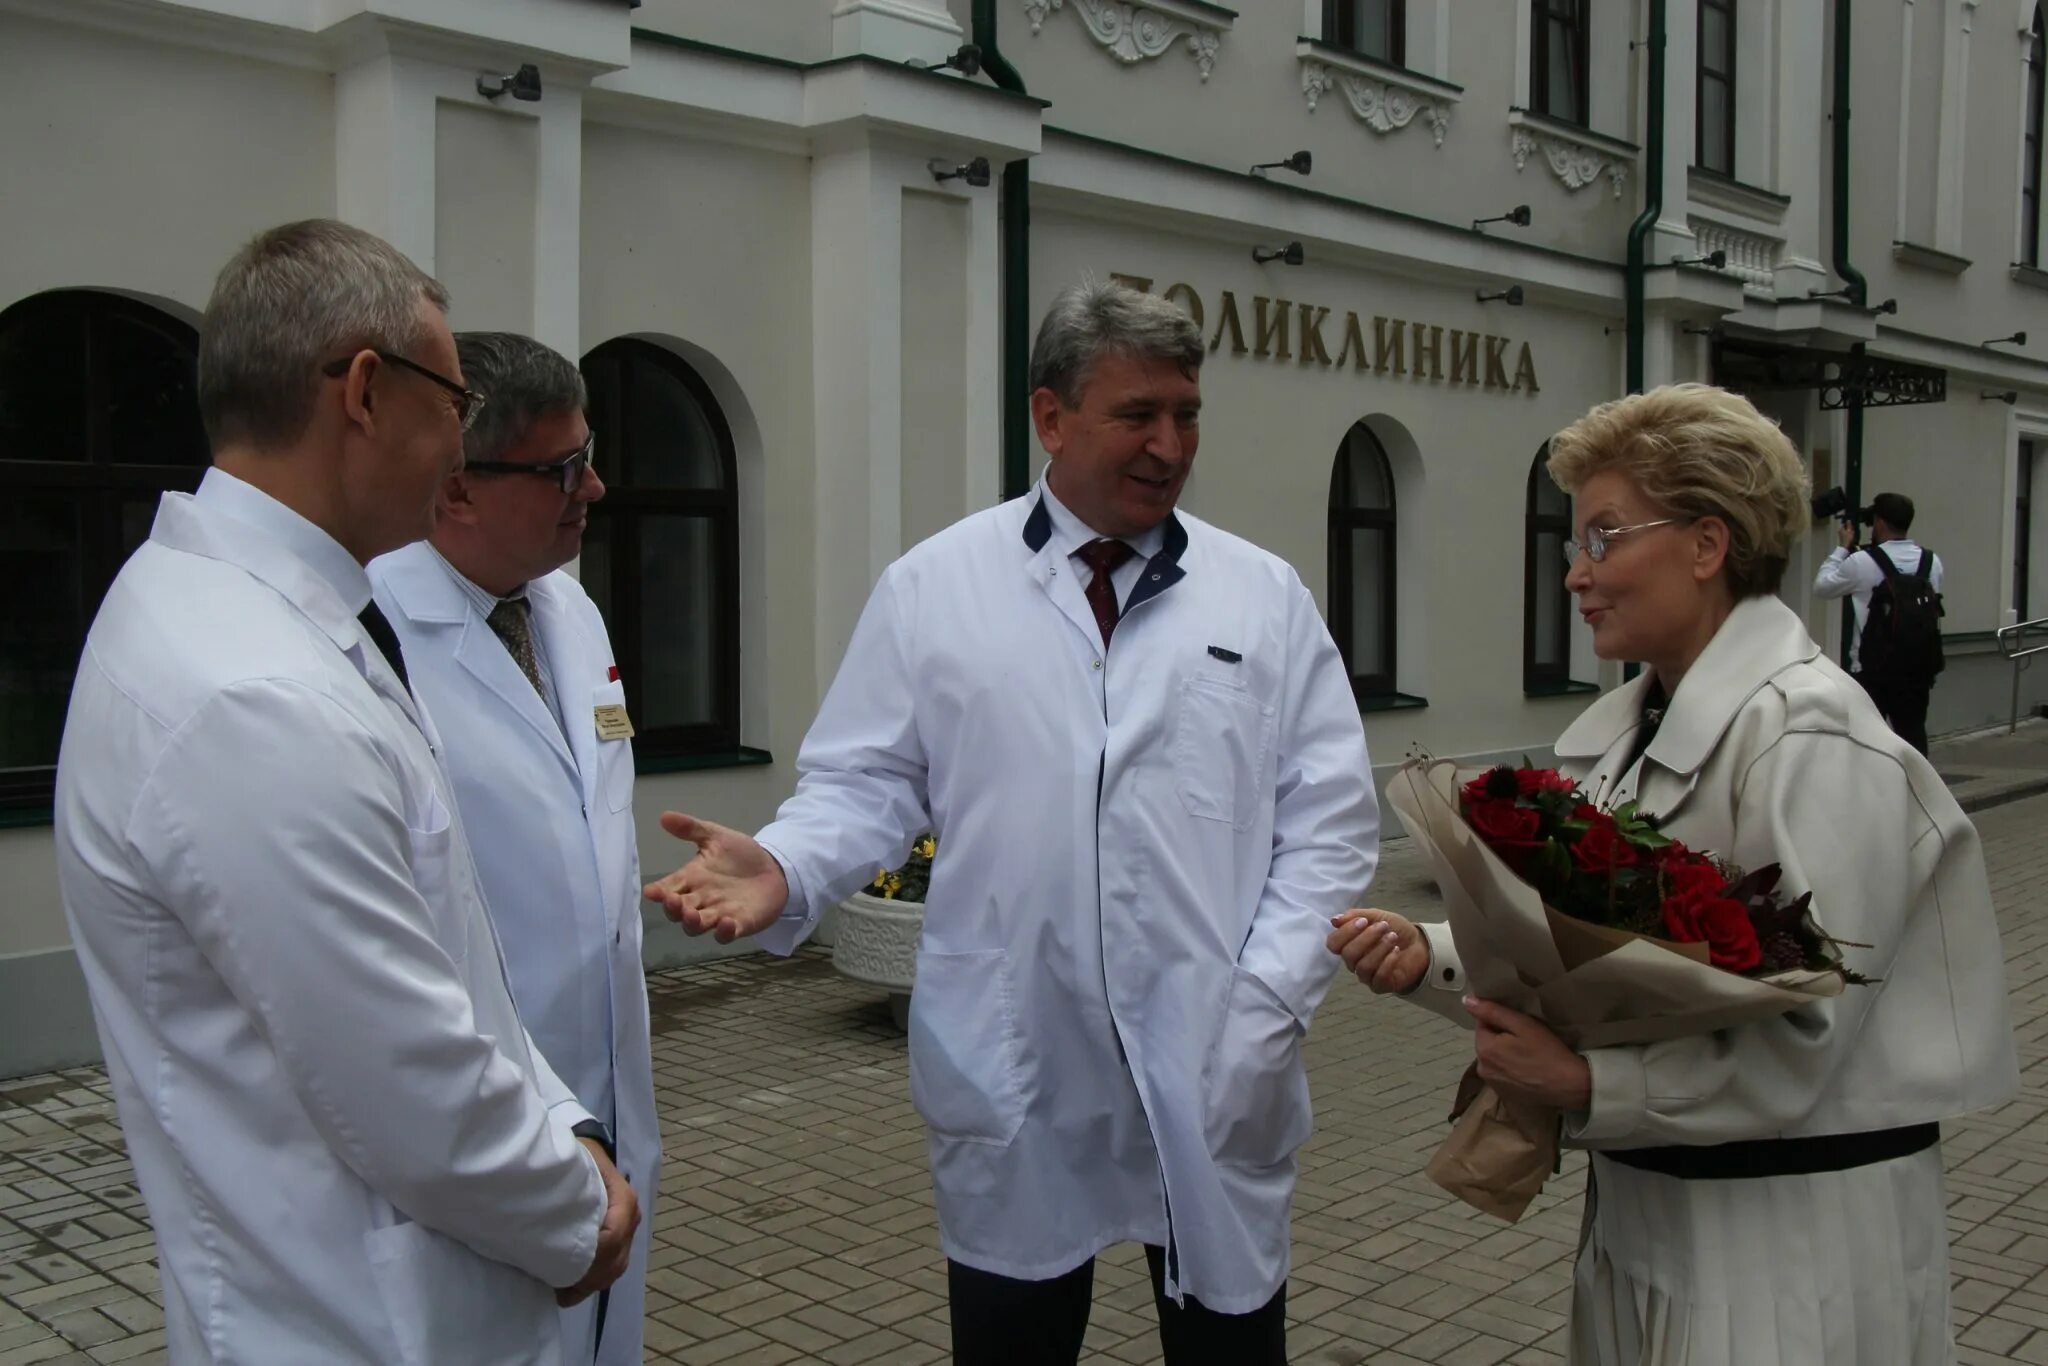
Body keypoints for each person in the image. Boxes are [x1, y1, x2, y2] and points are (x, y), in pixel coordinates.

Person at [644, 279, 1378, 1365]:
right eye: (1137, 414)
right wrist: (788, 866)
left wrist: (1262, 1002)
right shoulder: (935, 587)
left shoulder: (1258, 596)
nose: (1168, 444)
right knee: (1012, 1340)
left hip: (1209, 1047)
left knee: (1227, 1338)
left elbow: (1326, 821)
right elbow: (867, 780)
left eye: (1185, 413)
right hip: (1017, 1053)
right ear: (1051, 417)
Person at [1330, 384, 2016, 1366]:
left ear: (1707, 544)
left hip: (1786, 1241)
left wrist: (1585, 1083)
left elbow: (1805, 1032)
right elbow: (1603, 958)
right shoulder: (1631, 734)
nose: (1575, 574)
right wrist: (1429, 956)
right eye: (1576, 543)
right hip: (1657, 1212)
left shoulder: (1811, 735)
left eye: (1602, 537)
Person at [53, 220, 637, 1364]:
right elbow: (406, 1083)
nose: (454, 450)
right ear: (365, 392)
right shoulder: (251, 690)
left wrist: (565, 1120)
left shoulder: (271, 620)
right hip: (359, 1321)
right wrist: (582, 1213)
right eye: (450, 404)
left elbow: (446, 953)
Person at [368, 331, 659, 1366]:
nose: (598, 486)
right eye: (564, 468)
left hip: (608, 1102)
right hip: (481, 1132)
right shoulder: (374, 639)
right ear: (457, 487)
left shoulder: (563, 604)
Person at [1812, 491, 1944, 753]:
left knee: (1866, 745)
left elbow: (1822, 587)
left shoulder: (1862, 562)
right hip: (1917, 669)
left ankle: (1871, 792)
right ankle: (1916, 790)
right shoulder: (1932, 562)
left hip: (1873, 670)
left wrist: (1842, 547)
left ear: (1880, 523)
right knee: (1913, 736)